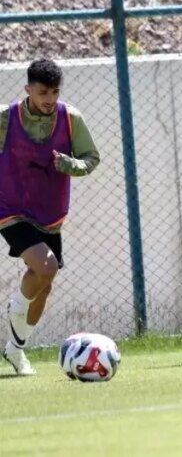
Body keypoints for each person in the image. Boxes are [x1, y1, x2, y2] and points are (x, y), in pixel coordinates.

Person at [2, 58, 100, 376]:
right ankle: (16, 307)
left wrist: (72, 165)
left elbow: (91, 157)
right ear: (27, 89)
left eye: (54, 92)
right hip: (10, 209)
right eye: (43, 92)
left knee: (44, 287)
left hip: (50, 214)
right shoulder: (6, 118)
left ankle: (16, 350)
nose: (49, 99)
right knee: (46, 266)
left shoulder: (70, 118)